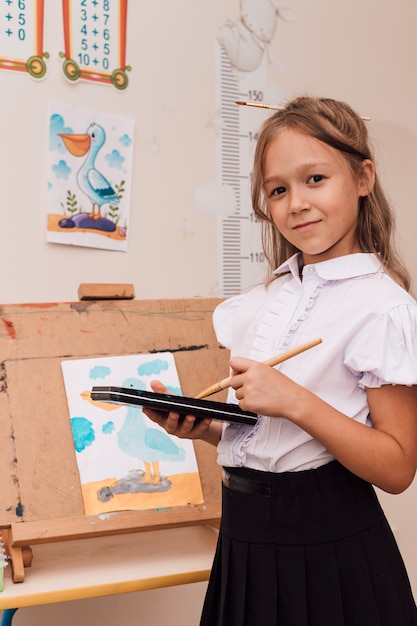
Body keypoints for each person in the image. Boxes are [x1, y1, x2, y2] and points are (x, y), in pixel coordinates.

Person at [144, 96, 417, 625]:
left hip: (328, 547)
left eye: (315, 179)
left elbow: (398, 466)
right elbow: (272, 445)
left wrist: (295, 401)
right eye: (278, 189)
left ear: (363, 178)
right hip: (244, 537)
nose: (296, 203)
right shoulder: (260, 304)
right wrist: (205, 430)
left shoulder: (384, 308)